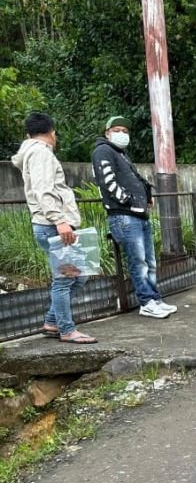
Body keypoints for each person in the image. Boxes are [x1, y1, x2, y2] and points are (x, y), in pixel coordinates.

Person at [11, 112, 97, 344]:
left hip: (50, 224)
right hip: (52, 225)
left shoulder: (34, 152)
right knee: (65, 280)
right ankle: (66, 329)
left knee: (78, 276)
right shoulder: (41, 153)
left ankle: (52, 321)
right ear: (52, 132)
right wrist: (59, 220)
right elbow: (44, 190)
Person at [91, 116, 177, 319]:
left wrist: (146, 196)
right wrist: (128, 200)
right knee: (139, 262)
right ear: (107, 133)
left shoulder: (120, 153)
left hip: (137, 214)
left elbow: (134, 178)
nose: (122, 134)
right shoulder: (103, 151)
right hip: (124, 215)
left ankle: (154, 299)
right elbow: (107, 182)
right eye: (117, 130)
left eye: (125, 131)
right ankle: (146, 302)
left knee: (149, 261)